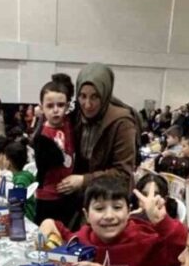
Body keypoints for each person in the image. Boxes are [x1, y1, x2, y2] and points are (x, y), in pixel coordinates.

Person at [37, 175, 187, 266]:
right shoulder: (82, 239)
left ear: (129, 211)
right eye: (99, 208)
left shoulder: (145, 240)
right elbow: (63, 233)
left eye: (117, 207)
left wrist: (163, 222)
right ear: (86, 215)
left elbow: (182, 250)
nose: (109, 216)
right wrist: (48, 222)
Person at [60, 63, 140, 199]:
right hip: (80, 196)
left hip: (111, 197)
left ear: (105, 94)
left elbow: (123, 174)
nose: (87, 104)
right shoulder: (76, 116)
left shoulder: (122, 122)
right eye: (82, 96)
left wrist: (84, 180)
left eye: (95, 97)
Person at [32, 80, 78, 226]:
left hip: (68, 194)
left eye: (61, 105)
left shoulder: (69, 124)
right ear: (42, 108)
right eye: (50, 106)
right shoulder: (42, 136)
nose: (56, 110)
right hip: (48, 197)